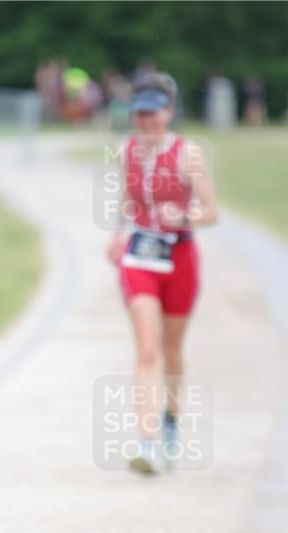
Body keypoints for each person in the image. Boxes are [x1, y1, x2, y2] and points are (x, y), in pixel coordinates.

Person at [106, 73, 218, 475]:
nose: (149, 121)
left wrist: (185, 215)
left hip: (181, 258)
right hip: (140, 257)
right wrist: (118, 235)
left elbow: (212, 210)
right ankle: (146, 442)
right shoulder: (126, 151)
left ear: (169, 112)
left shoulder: (189, 154)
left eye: (155, 114)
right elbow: (125, 200)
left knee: (171, 351)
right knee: (148, 348)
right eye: (142, 114)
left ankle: (171, 419)